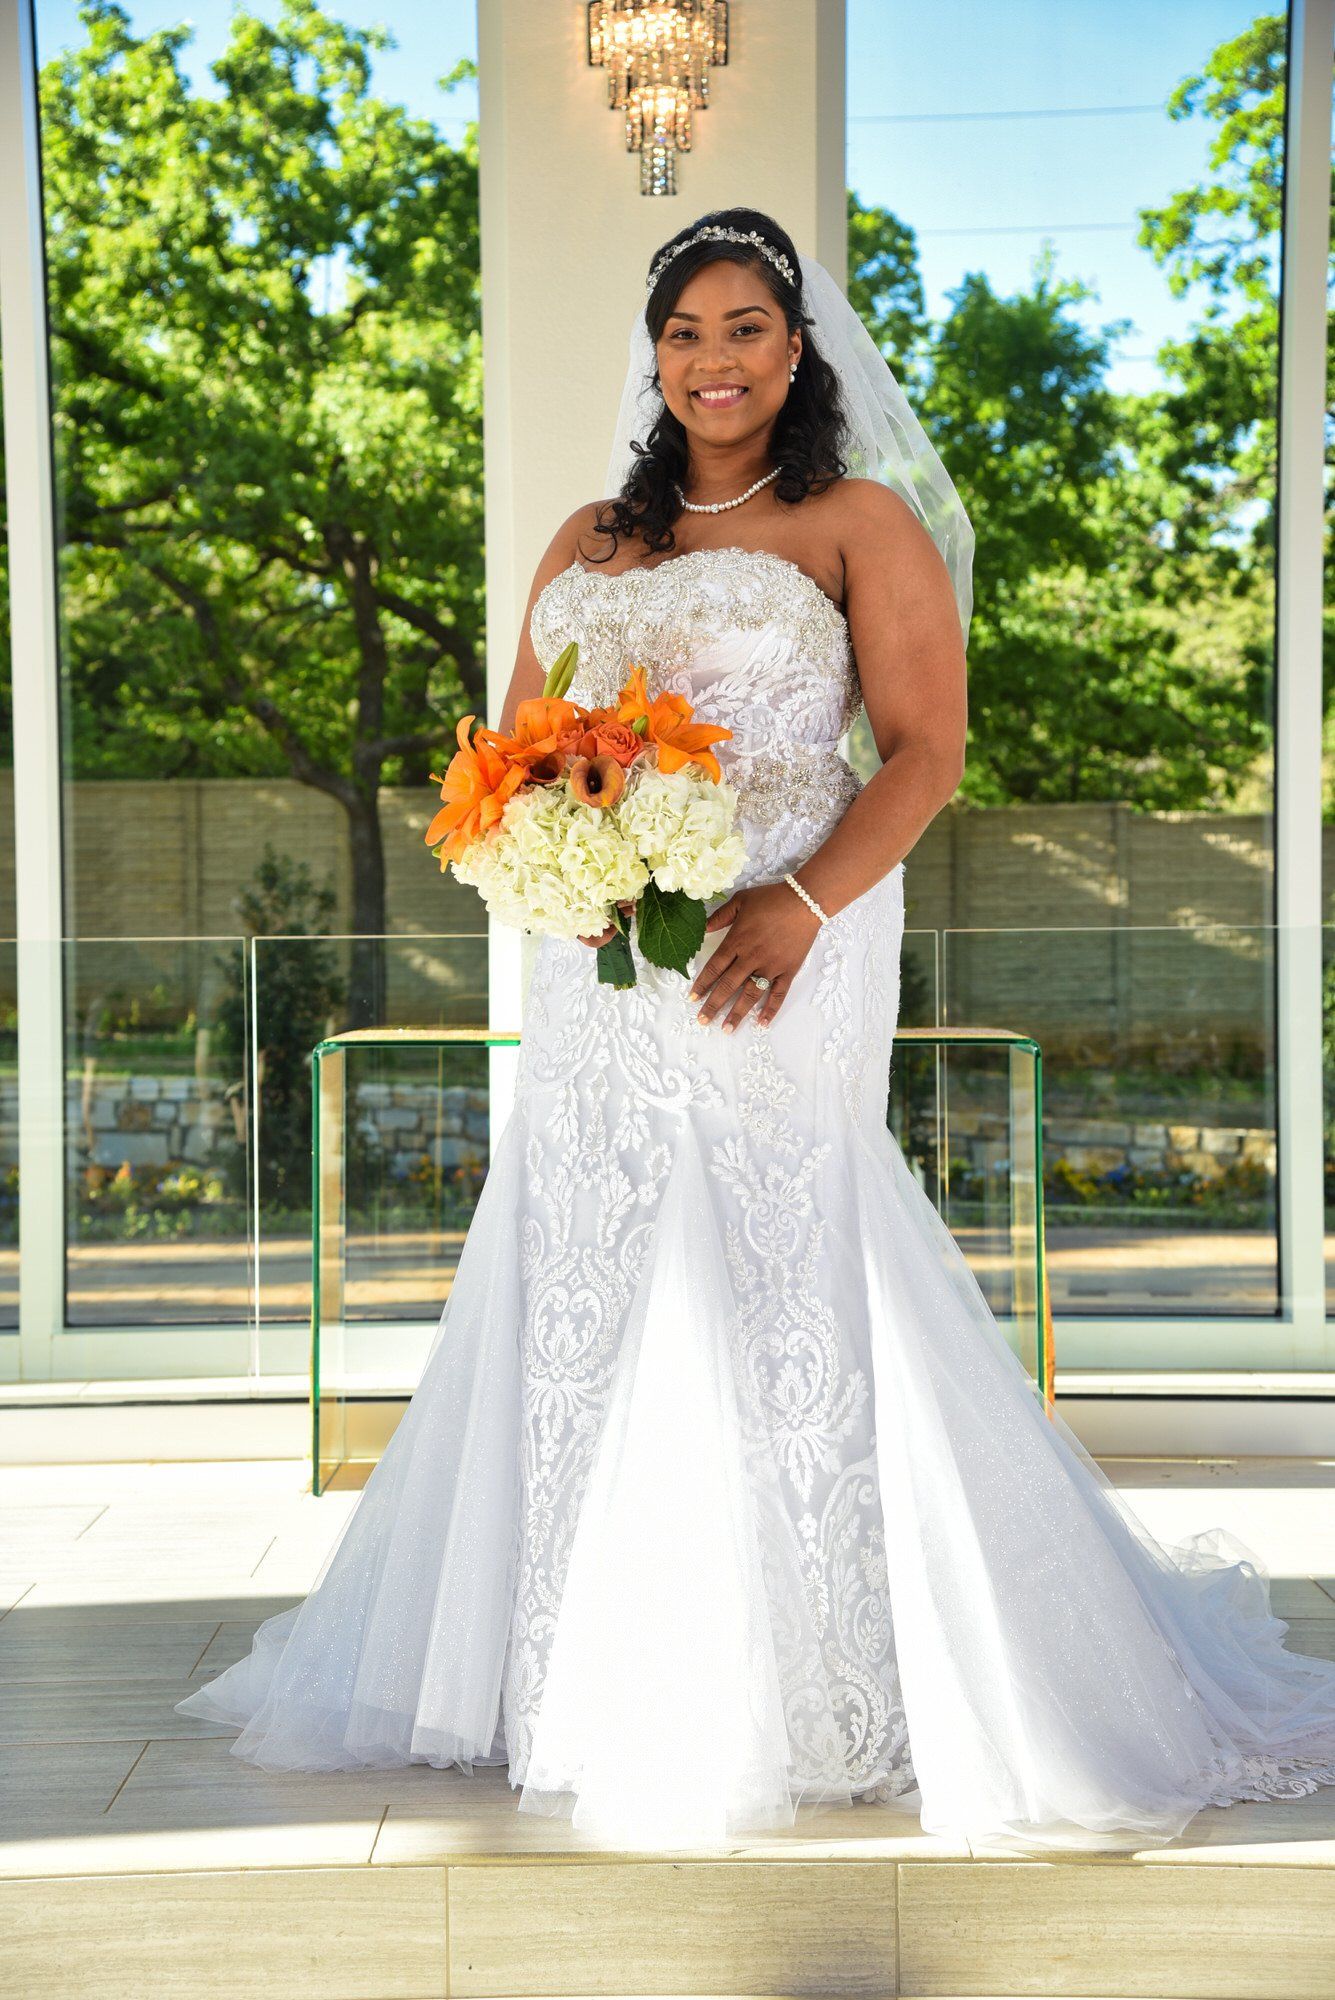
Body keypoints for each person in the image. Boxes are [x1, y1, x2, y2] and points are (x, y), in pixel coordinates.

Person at [178, 207, 1335, 1854]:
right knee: (591, 1263)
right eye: (685, 333)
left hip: (794, 937)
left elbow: (925, 751)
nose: (713, 360)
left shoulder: (857, 522)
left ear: (798, 351)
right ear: (654, 357)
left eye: (744, 329)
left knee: (782, 1264)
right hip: (603, 963)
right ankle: (568, 1675)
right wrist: (545, 866)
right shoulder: (587, 533)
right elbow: (511, 753)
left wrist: (798, 907)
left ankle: (829, 1679)